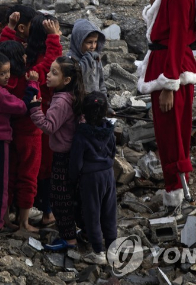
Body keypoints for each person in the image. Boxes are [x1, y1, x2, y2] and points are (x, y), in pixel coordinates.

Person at [137, 0, 196, 217]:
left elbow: (176, 39)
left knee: (173, 134)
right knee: (168, 134)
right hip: (166, 66)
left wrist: (168, 84)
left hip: (170, 70)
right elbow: (161, 29)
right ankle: (174, 190)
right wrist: (153, 1)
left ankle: (181, 198)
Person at [1, 14, 62, 232]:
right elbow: (50, 63)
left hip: (10, 132)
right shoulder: (32, 76)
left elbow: (6, 49)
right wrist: (54, 38)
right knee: (30, 175)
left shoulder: (9, 77)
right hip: (33, 133)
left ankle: (5, 218)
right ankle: (25, 222)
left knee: (9, 174)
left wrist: (9, 30)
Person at [26, 56, 86, 251]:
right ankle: (75, 233)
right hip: (74, 154)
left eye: (54, 73)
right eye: (49, 71)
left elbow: (49, 126)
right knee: (69, 196)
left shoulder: (61, 101)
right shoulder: (73, 95)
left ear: (66, 80)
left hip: (63, 156)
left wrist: (35, 108)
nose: (48, 76)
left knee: (60, 199)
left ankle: (69, 240)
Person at [0, 53, 36, 234]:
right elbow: (22, 107)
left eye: (8, 72)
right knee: (1, 183)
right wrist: (32, 85)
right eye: (3, 73)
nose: (7, 77)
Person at [25, 14, 63, 229]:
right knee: (45, 167)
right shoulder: (40, 61)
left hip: (40, 118)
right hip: (44, 118)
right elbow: (50, 67)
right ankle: (47, 211)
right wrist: (54, 39)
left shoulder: (28, 54)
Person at [69, 92, 116, 265]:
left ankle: (98, 250)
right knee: (110, 211)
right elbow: (113, 151)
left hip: (90, 178)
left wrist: (73, 179)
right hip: (108, 174)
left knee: (92, 213)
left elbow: (76, 162)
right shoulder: (109, 131)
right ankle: (112, 249)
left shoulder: (81, 135)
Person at [67, 20, 106, 93]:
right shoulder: (70, 60)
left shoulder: (95, 58)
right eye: (89, 42)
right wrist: (89, 56)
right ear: (79, 41)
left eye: (95, 42)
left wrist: (104, 100)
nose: (93, 46)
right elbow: (81, 73)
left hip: (95, 100)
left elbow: (101, 83)